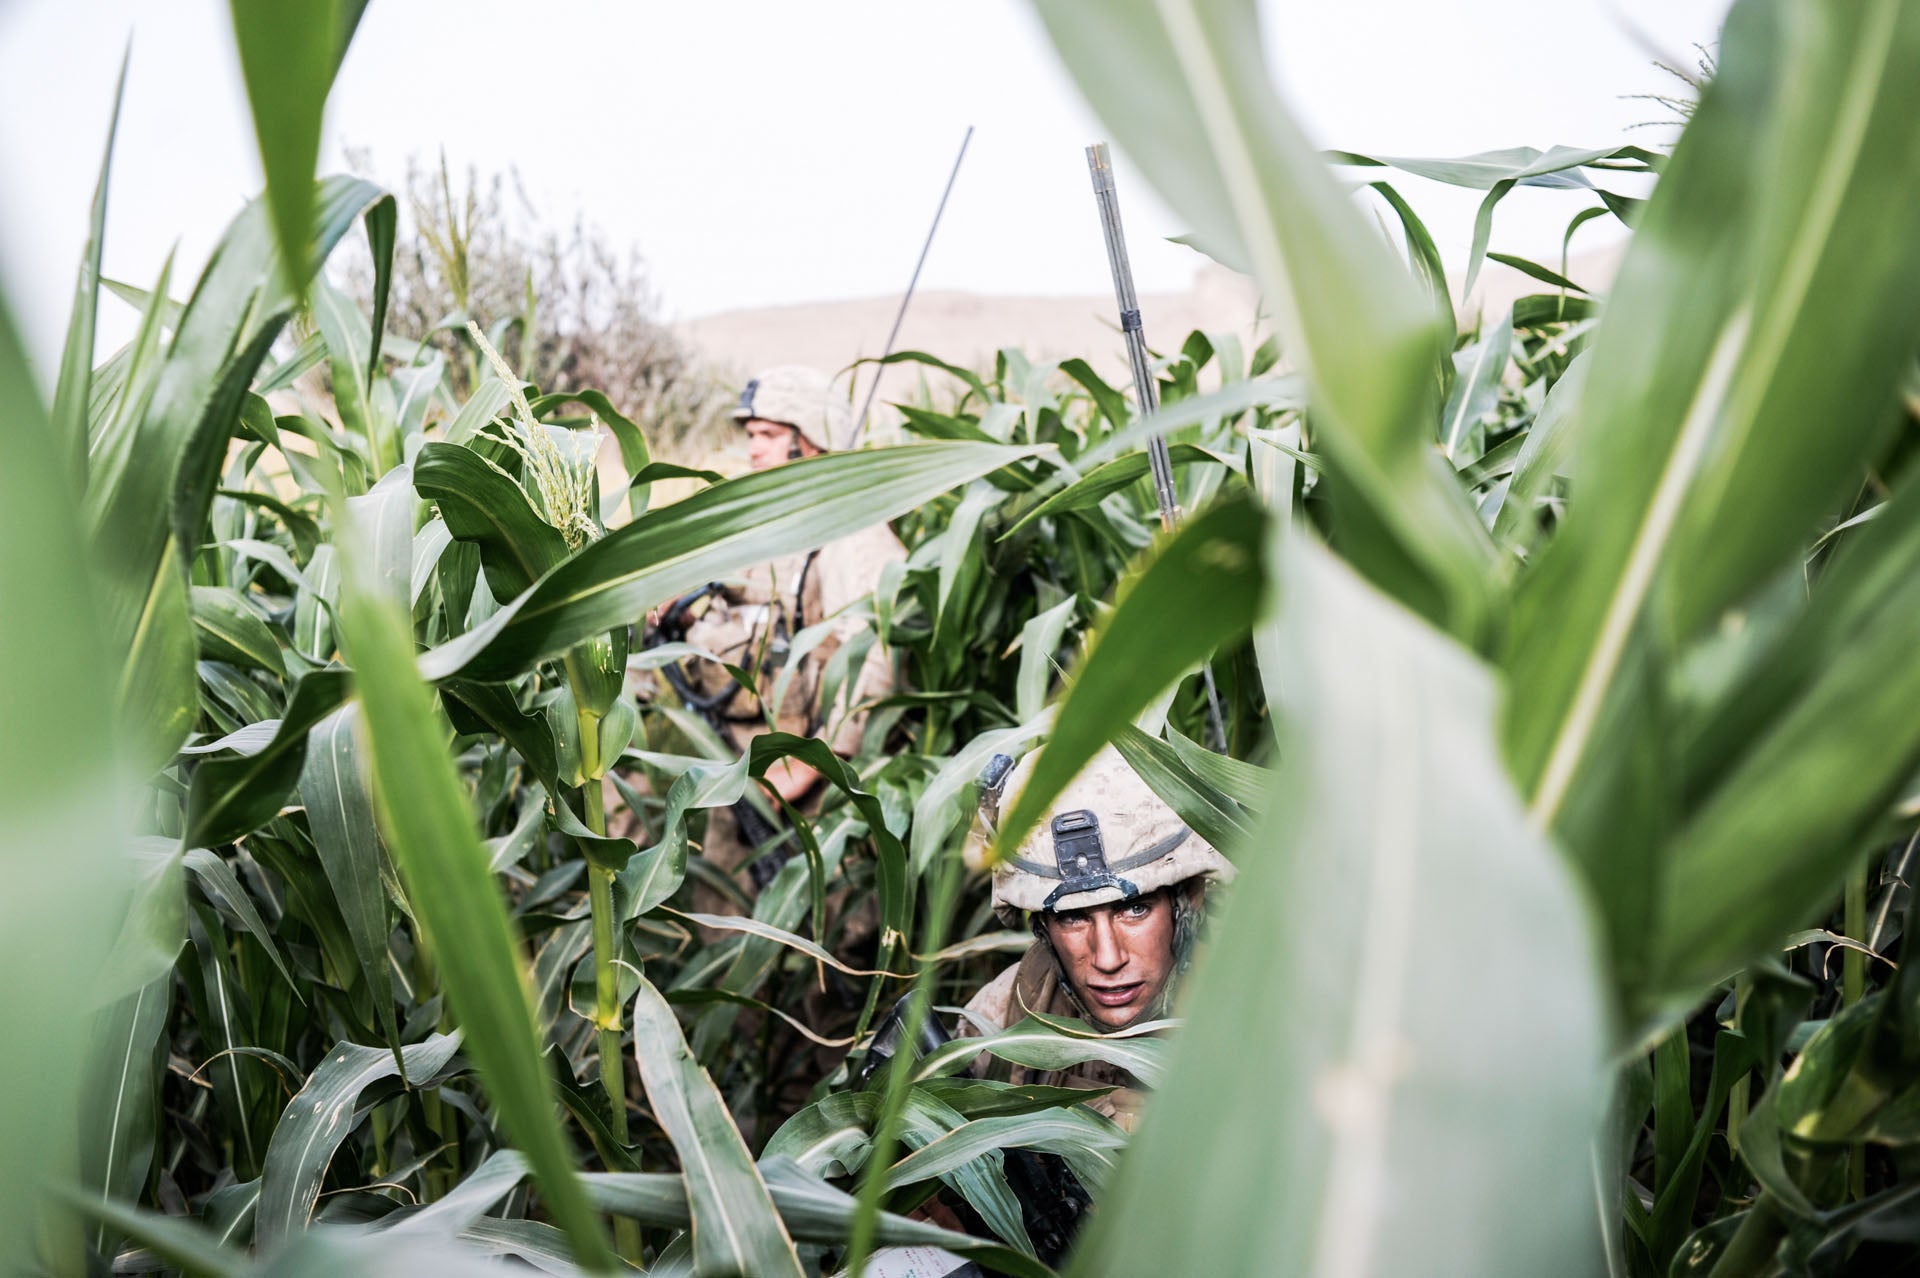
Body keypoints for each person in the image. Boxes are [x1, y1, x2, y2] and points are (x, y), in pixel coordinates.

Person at [671, 365, 907, 891]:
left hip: (816, 799)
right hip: (738, 774)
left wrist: (811, 766)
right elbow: (747, 605)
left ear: (813, 441)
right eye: (751, 436)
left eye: (770, 436)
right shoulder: (770, 525)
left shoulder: (852, 533)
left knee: (825, 939)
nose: (754, 450)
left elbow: (874, 657)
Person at [959, 745, 1234, 1132]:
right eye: (1072, 917)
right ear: (1043, 928)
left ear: (1186, 902)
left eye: (1134, 908)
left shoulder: (1255, 1016)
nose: (1108, 958)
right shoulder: (1012, 1008)